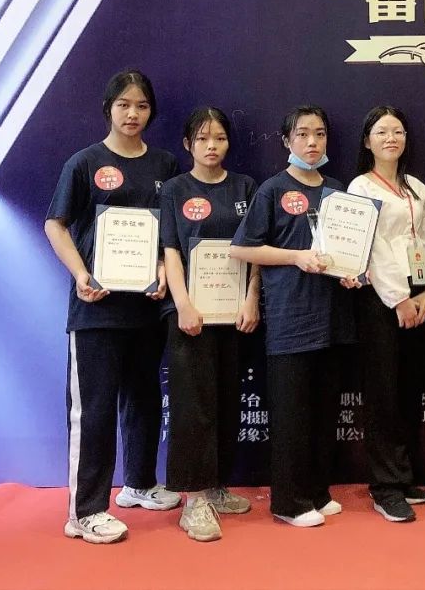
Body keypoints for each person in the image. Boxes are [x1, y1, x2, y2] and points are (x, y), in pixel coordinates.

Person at [45, 69, 181, 545]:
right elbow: (56, 224)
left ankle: (139, 484)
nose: (132, 114)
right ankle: (84, 511)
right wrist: (81, 274)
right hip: (96, 308)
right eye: (124, 104)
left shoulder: (165, 163)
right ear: (109, 108)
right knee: (94, 411)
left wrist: (163, 270)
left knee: (144, 399)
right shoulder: (84, 162)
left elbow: (171, 232)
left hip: (147, 307)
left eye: (141, 106)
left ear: (151, 112)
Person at [230, 106, 353, 528]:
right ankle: (288, 501)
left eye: (319, 133)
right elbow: (242, 248)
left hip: (332, 318)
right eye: (302, 134)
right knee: (292, 415)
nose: (312, 142)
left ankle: (317, 491)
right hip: (290, 319)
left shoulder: (337, 190)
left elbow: (346, 250)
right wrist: (296, 257)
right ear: (287, 141)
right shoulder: (272, 189)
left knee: (323, 411)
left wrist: (352, 271)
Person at [160, 107, 260, 542]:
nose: (211, 146)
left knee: (225, 400)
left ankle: (216, 486)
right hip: (191, 316)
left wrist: (252, 299)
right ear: (188, 144)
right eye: (202, 139)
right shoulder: (175, 189)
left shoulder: (245, 187)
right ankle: (194, 500)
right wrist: (182, 303)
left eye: (219, 138)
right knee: (193, 405)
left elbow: (255, 248)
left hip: (233, 314)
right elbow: (171, 251)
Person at [347, 106, 425, 523]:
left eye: (398, 131)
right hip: (381, 301)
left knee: (409, 387)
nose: (391, 138)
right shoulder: (360, 188)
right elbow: (370, 249)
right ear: (367, 141)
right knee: (383, 392)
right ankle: (384, 486)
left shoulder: (416, 188)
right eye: (382, 132)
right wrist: (400, 299)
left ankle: (403, 476)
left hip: (419, 298)